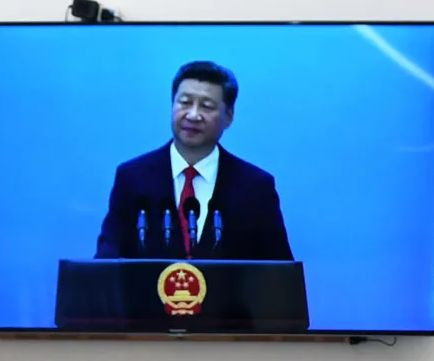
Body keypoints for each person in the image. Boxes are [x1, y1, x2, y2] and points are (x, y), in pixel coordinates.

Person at [93, 61, 294, 262]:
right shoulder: (132, 178)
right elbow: (105, 263)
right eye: (185, 102)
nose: (193, 115)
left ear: (228, 116)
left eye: (206, 106)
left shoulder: (255, 187)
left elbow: (280, 272)